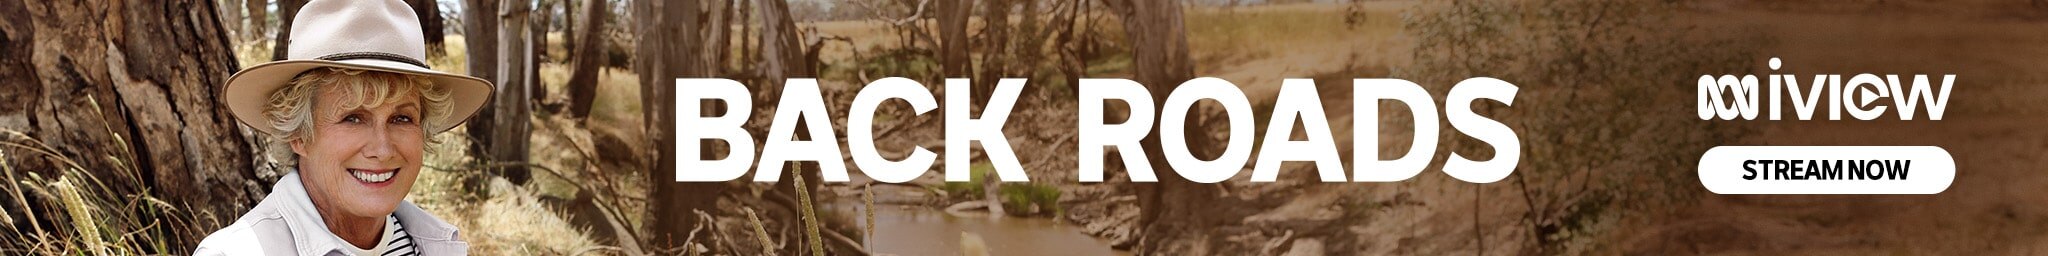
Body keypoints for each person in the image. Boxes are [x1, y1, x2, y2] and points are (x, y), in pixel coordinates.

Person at [196, 0, 493, 255]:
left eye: (402, 118)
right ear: (299, 134)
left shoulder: (435, 244)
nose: (382, 149)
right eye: (353, 118)